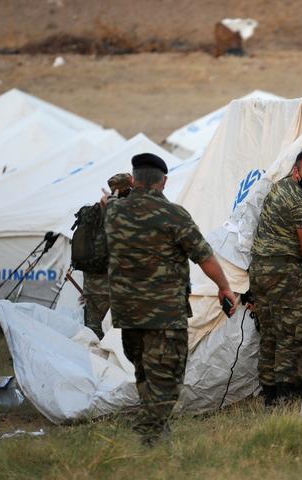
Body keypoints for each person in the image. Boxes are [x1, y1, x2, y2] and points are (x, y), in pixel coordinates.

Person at [105, 153, 237, 445]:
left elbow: (114, 196)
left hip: (128, 313)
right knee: (167, 378)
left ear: (134, 179)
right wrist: (225, 287)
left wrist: (123, 189)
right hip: (164, 314)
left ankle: (156, 433)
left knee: (143, 372)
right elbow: (204, 256)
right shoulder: (174, 215)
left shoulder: (113, 213)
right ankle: (149, 438)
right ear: (164, 181)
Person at [249, 149, 302, 406]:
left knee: (269, 334)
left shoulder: (278, 189)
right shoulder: (301, 203)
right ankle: (283, 398)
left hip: (259, 271)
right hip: (283, 271)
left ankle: (269, 396)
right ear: (296, 171)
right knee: (289, 335)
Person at [80, 173, 132, 339]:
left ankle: (92, 363)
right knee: (115, 337)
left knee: (93, 336)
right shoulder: (125, 212)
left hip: (91, 287)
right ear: (128, 188)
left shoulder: (90, 213)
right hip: (115, 289)